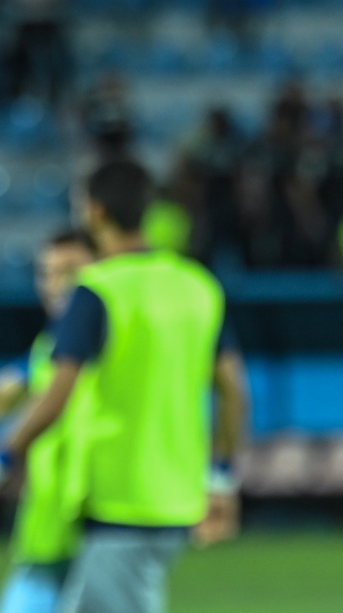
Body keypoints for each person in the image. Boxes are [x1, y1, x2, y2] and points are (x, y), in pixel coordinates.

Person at [1, 159, 248, 613]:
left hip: (117, 500)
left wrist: (8, 450)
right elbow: (234, 392)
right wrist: (221, 478)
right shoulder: (197, 286)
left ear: (94, 213)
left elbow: (57, 392)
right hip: (175, 497)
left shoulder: (97, 288)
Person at [0, 230, 95, 613]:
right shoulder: (52, 343)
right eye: (47, 273)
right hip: (49, 525)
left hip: (94, 521)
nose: (57, 285)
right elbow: (13, 386)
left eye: (70, 271)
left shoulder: (108, 338)